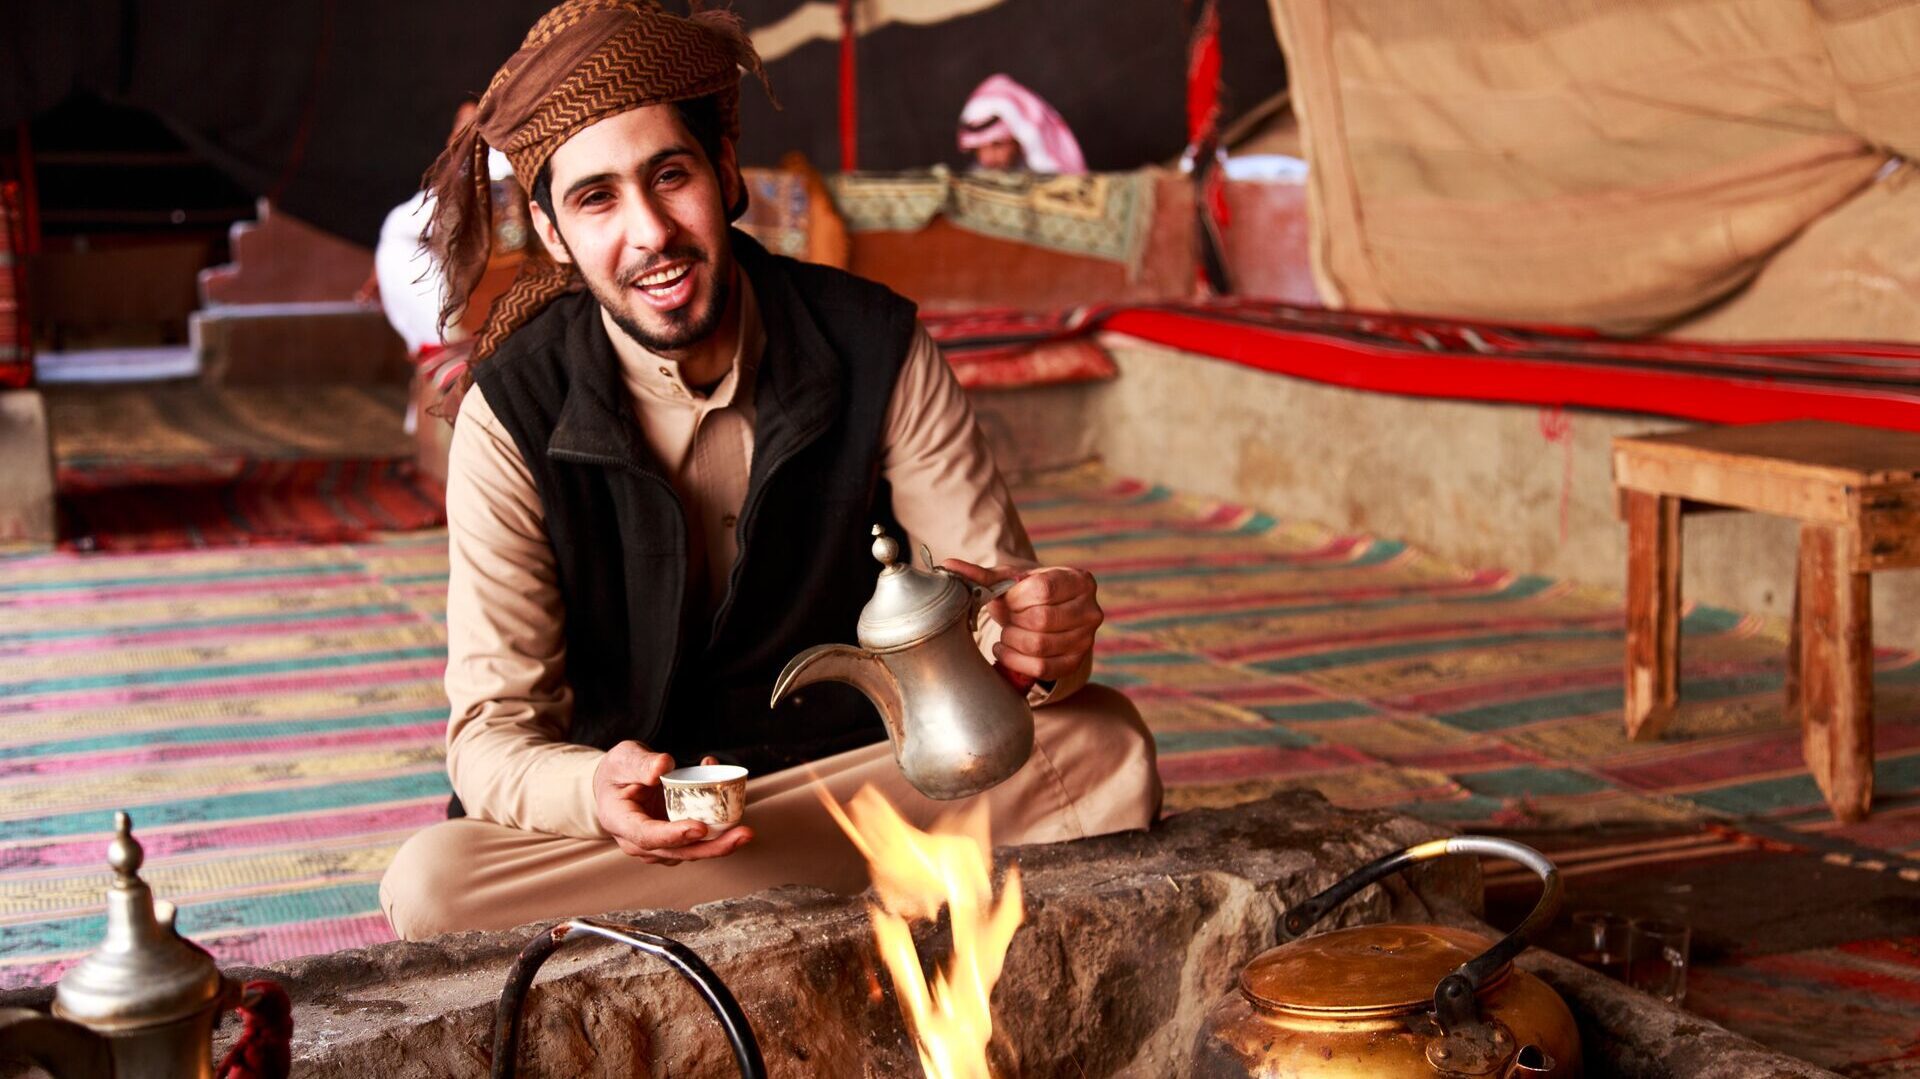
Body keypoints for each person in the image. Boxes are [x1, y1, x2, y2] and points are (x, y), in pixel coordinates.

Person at [377, 0, 1159, 939]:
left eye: (671, 176)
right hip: (646, 834)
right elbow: (492, 738)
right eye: (597, 199)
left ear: (724, 169)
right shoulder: (511, 411)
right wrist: (594, 789)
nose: (651, 234)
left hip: (851, 778)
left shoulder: (876, 347)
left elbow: (989, 612)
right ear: (550, 231)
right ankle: (835, 898)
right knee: (433, 885)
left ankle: (713, 915)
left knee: (1100, 744)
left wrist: (1037, 641)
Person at [956, 73, 1086, 174]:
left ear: (1018, 139)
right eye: (980, 149)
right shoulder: (973, 178)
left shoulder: (1039, 179)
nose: (989, 158)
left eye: (997, 144)